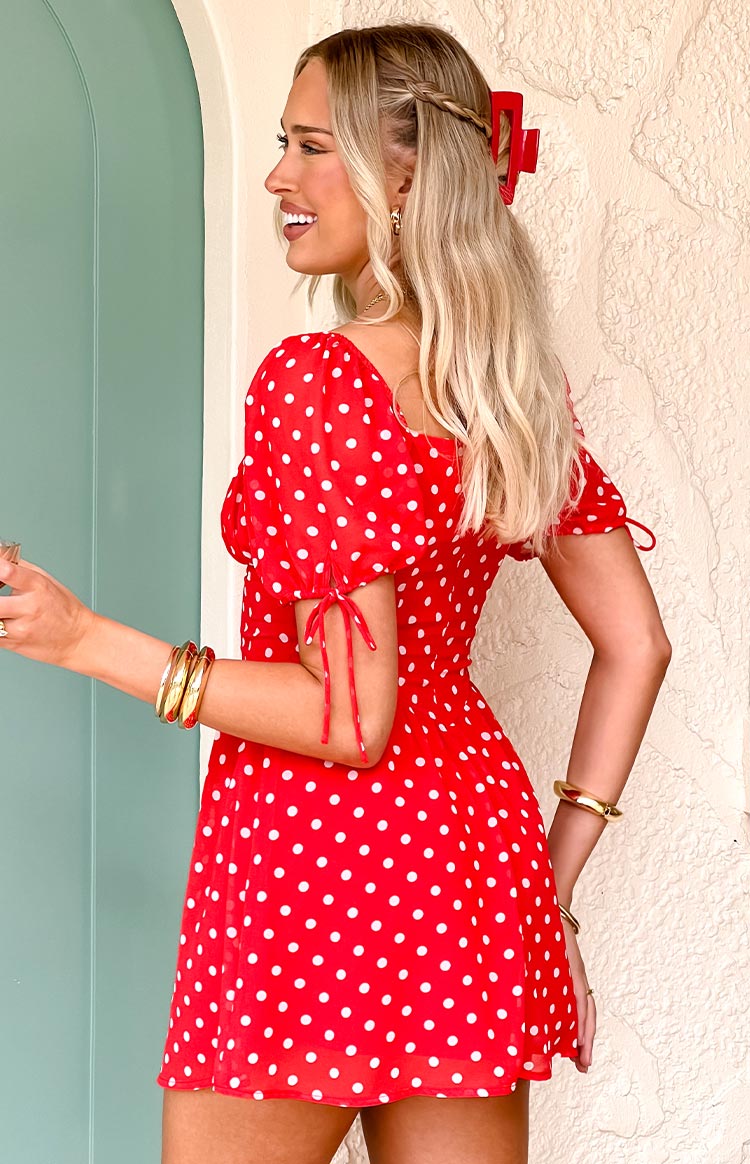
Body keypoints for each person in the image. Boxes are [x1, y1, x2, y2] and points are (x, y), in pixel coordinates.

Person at [0, 21, 672, 1164]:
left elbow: (347, 721)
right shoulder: (501, 384)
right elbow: (639, 644)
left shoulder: (321, 381)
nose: (278, 177)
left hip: (313, 876)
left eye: (314, 147)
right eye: (282, 144)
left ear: (403, 175)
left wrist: (81, 639)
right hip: (467, 874)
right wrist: (545, 891)